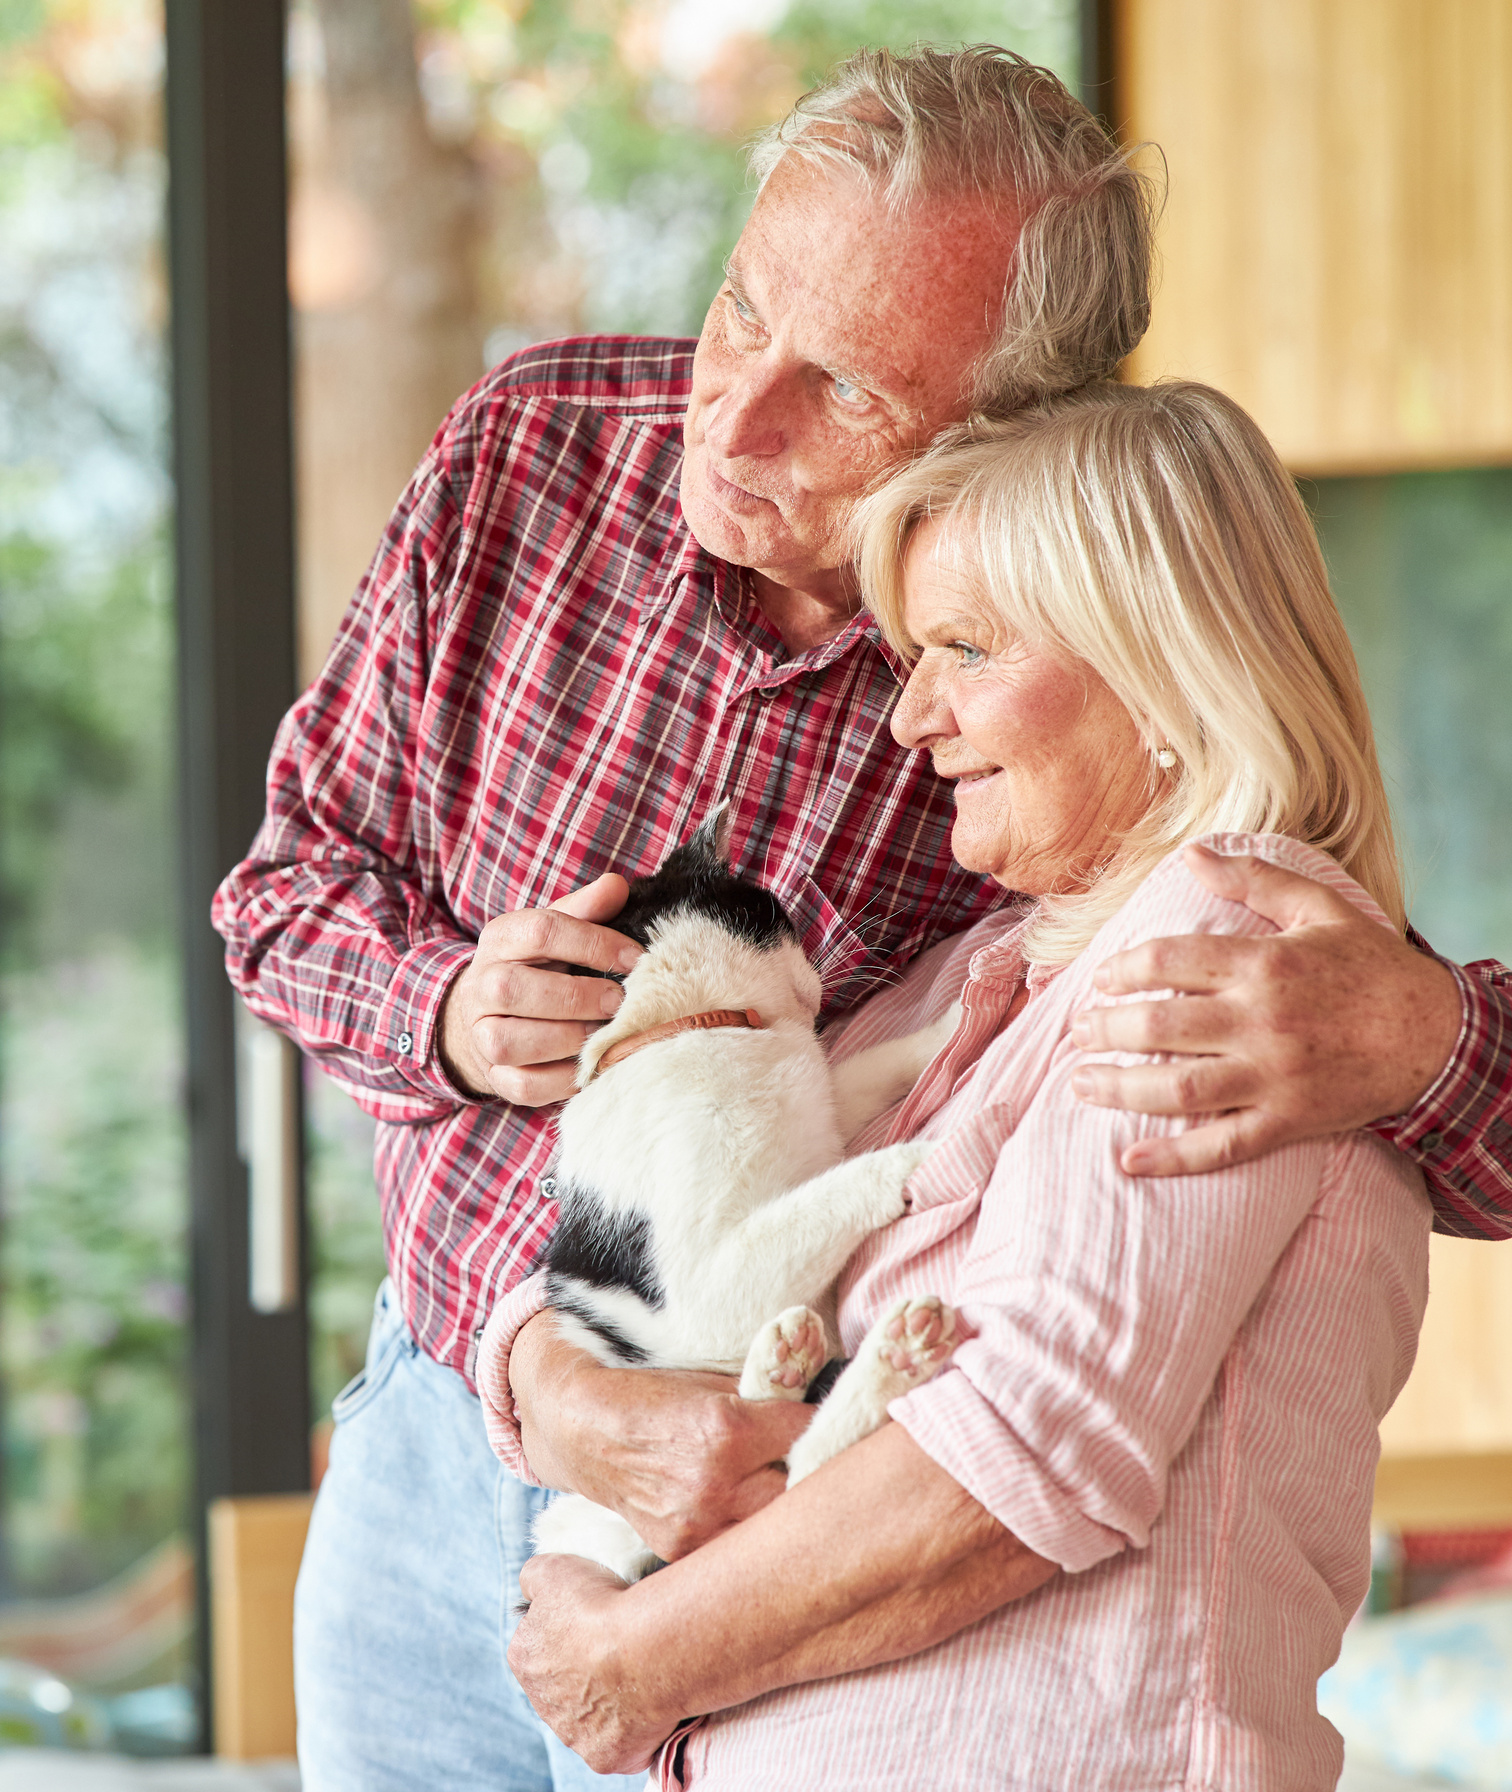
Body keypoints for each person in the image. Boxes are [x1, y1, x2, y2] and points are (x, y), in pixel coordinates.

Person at [212, 47, 1512, 1792]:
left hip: (763, 1510)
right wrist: (442, 1022)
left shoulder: (1054, 669)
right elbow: (281, 893)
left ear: (1011, 426)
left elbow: (1482, 1121)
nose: (733, 418)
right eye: (737, 315)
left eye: (845, 387)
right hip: (447, 1414)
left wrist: (1413, 1031)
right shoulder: (534, 451)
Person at [495, 376, 1451, 1789]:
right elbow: (671, 1244)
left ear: (1164, 666)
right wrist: (548, 1378)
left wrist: (622, 1662)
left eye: (965, 649)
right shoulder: (974, 978)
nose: (909, 718)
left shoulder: (1231, 966)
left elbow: (1016, 1464)